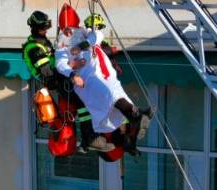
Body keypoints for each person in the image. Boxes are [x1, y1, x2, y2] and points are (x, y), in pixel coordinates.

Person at [22, 11, 112, 153]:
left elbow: (57, 56)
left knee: (83, 105)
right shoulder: (34, 48)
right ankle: (91, 139)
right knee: (84, 103)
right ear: (34, 27)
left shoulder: (41, 42)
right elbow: (48, 71)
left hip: (61, 79)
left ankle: (88, 140)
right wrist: (71, 66)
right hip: (57, 81)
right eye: (43, 28)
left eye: (47, 27)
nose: (46, 30)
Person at [55, 24, 151, 156]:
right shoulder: (62, 48)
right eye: (66, 30)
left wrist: (82, 45)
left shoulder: (85, 34)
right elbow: (60, 65)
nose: (70, 32)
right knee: (110, 95)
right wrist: (72, 73)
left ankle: (132, 133)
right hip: (88, 79)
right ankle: (135, 116)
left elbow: (98, 35)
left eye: (72, 28)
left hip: (105, 73)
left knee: (119, 96)